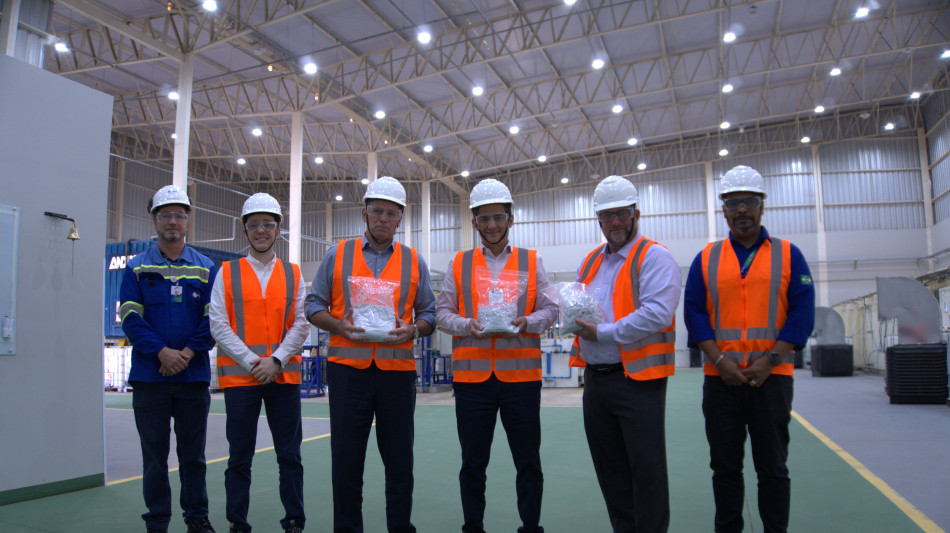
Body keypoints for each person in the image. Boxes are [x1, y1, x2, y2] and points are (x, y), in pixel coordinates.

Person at [684, 165, 815, 533]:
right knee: (724, 467)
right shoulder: (706, 258)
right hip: (720, 381)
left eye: (749, 202)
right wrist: (719, 360)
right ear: (723, 210)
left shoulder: (789, 255)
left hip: (772, 380)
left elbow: (802, 313)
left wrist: (770, 360)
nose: (741, 209)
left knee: (772, 467)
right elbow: (694, 313)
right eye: (733, 203)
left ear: (762, 207)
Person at [305, 176, 436, 533]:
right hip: (348, 372)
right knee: (346, 462)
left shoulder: (414, 261)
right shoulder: (337, 254)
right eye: (377, 211)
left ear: (400, 219)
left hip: (397, 373)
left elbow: (429, 314)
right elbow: (313, 305)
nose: (383, 218)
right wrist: (337, 325)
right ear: (364, 213)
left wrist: (414, 330)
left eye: (391, 213)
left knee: (399, 463)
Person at [435, 178, 557, 533]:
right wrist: (467, 324)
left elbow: (551, 310)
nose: (491, 225)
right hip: (472, 382)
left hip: (521, 380)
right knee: (472, 464)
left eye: (498, 217)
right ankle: (473, 526)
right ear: (474, 222)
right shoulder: (459, 263)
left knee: (528, 461)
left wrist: (527, 321)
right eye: (484, 219)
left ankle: (530, 527)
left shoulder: (532, 261)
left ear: (510, 219)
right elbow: (443, 313)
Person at [568, 175, 680, 533]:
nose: (615, 222)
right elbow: (580, 307)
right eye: (607, 215)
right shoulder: (590, 261)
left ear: (636, 214)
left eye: (622, 214)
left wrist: (600, 333)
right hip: (596, 382)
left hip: (638, 382)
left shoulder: (655, 257)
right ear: (598, 219)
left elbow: (656, 314)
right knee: (611, 471)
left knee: (646, 471)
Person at [119, 184, 218, 533]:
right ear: (155, 220)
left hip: (192, 378)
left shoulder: (206, 268)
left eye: (179, 215)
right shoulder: (136, 267)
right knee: (154, 457)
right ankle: (157, 521)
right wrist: (161, 352)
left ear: (187, 220)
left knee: (194, 456)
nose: (173, 221)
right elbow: (130, 318)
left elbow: (214, 320)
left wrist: (186, 354)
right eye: (165, 215)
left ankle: (197, 517)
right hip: (151, 379)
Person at [209, 193, 308, 533]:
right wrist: (255, 362)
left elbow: (301, 323)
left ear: (279, 230)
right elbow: (218, 324)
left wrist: (276, 360)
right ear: (245, 231)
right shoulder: (227, 272)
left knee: (289, 455)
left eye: (268, 224)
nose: (261, 230)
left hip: (283, 377)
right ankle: (238, 522)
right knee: (239, 457)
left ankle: (294, 519)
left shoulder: (294, 274)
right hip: (242, 379)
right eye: (254, 225)